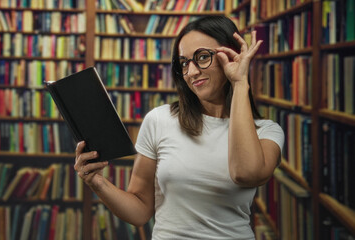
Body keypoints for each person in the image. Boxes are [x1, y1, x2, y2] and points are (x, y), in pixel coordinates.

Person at [74, 15, 284, 239]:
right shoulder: (159, 120)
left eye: (202, 57)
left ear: (232, 56)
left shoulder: (266, 132)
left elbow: (246, 174)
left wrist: (240, 82)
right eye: (184, 63)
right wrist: (97, 183)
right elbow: (139, 212)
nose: (192, 72)